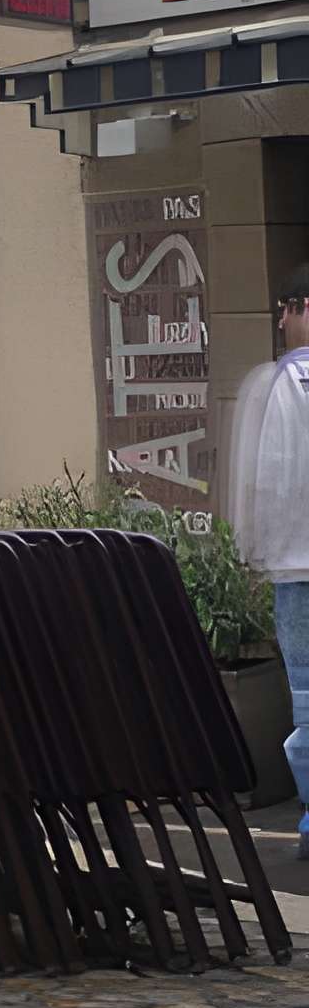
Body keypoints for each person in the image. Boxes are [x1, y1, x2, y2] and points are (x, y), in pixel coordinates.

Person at [227, 263, 309, 859]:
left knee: (306, 693)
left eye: (286, 305)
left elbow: (268, 483)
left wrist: (255, 554)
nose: (281, 319)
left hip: (297, 567)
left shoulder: (277, 384)